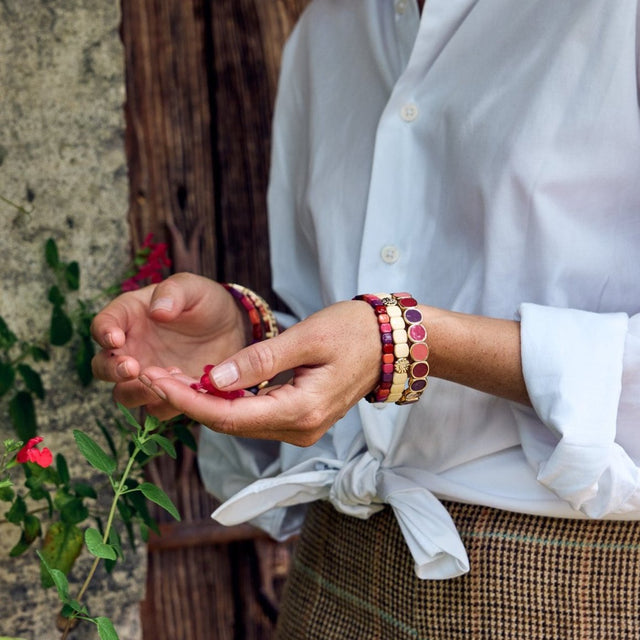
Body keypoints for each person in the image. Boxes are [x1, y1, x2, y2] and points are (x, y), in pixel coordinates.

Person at [92, 0, 640, 637]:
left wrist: (404, 342)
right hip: (336, 568)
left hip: (574, 584)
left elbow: (379, 337)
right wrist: (247, 348)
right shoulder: (332, 27)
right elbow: (341, 314)